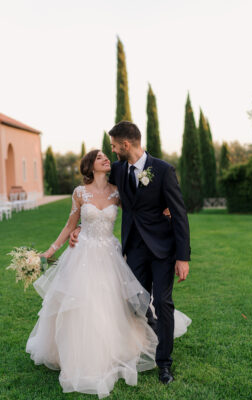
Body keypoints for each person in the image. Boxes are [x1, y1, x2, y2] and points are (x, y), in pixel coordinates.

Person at [26, 149, 191, 399]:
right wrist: (51, 250)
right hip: (83, 255)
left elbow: (140, 209)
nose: (107, 159)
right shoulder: (79, 193)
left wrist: (166, 208)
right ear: (90, 166)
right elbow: (70, 224)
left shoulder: (118, 191)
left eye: (107, 155)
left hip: (110, 253)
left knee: (115, 304)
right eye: (101, 157)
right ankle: (82, 355)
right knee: (83, 305)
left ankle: (121, 349)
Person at [70, 121, 191, 385]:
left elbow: (179, 214)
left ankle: (164, 364)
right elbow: (97, 194)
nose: (112, 151)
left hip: (162, 250)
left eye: (114, 146)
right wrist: (81, 226)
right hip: (133, 250)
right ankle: (142, 344)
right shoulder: (116, 170)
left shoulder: (162, 170)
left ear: (126, 145)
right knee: (134, 303)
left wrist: (183, 257)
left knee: (162, 303)